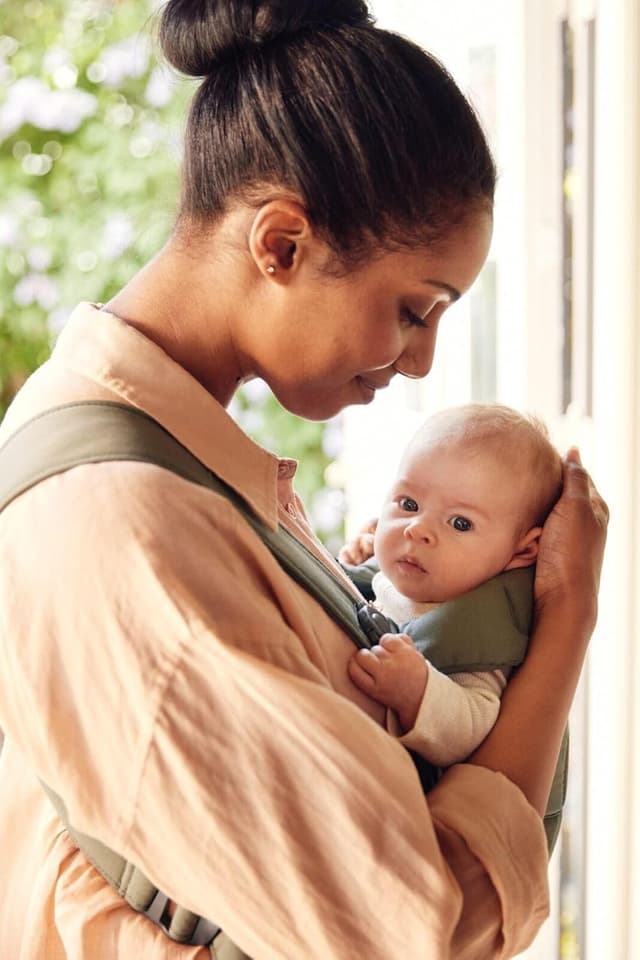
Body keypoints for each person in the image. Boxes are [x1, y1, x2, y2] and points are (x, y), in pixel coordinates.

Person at [0, 2, 607, 958]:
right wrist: (566, 617)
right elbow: (413, 931)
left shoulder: (181, 457)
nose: (421, 362)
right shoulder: (130, 526)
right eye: (414, 310)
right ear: (281, 245)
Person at [341, 403, 562, 767]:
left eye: (460, 523)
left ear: (522, 550)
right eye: (409, 503)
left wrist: (418, 690)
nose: (418, 529)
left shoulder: (481, 629)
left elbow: (475, 721)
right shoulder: (418, 578)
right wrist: (358, 568)